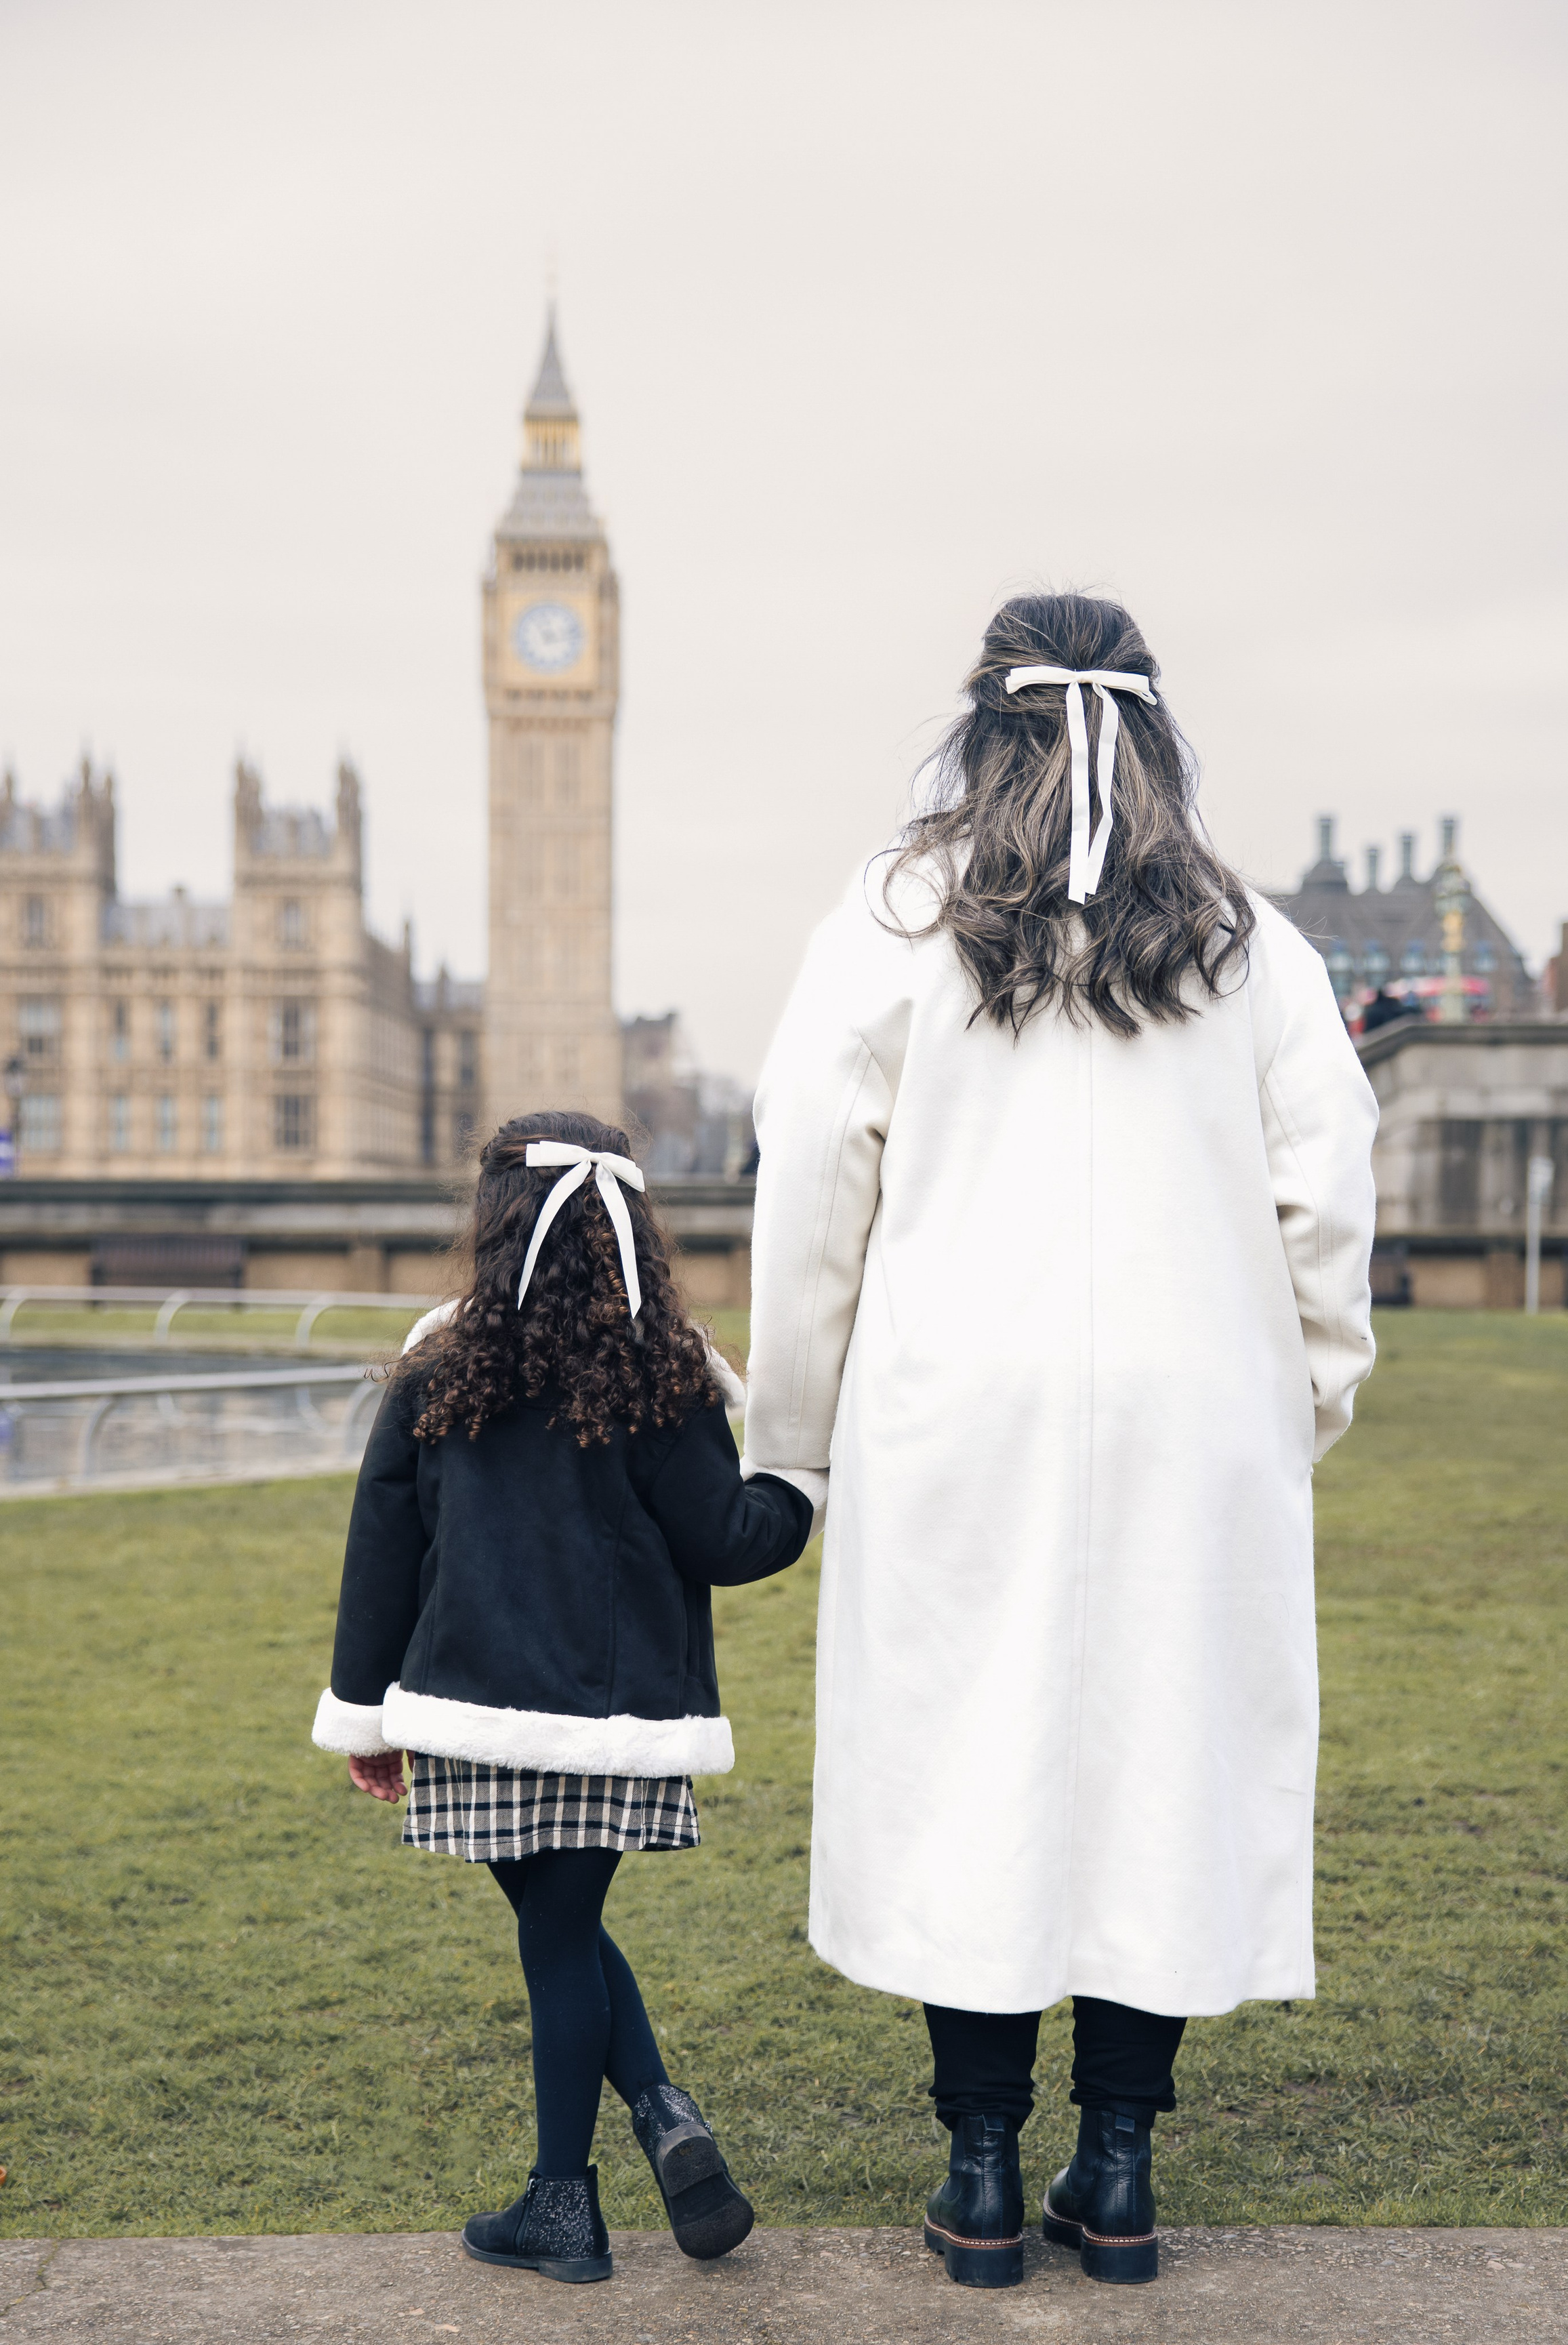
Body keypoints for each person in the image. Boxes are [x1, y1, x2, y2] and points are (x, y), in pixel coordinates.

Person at [743, 594, 1378, 2290]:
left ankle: (973, 2169)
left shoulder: (890, 922)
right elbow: (1329, 1200)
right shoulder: (1253, 945)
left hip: (960, 1407)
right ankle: (1116, 2165)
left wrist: (789, 1434)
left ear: (981, 727)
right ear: (1152, 731)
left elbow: (809, 1185)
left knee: (971, 1759)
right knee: (1161, 1764)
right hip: (1195, 1411)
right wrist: (1301, 1391)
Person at [311, 1111, 812, 2287]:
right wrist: (801, 1481)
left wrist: (367, 1715)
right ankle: (658, 2116)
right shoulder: (661, 1371)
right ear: (628, 1224)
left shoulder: (439, 1363)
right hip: (616, 1713)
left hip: (468, 1704)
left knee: (553, 1937)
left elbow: (381, 1549)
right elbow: (731, 1538)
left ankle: (564, 2203)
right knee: (566, 1931)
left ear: (492, 1223)